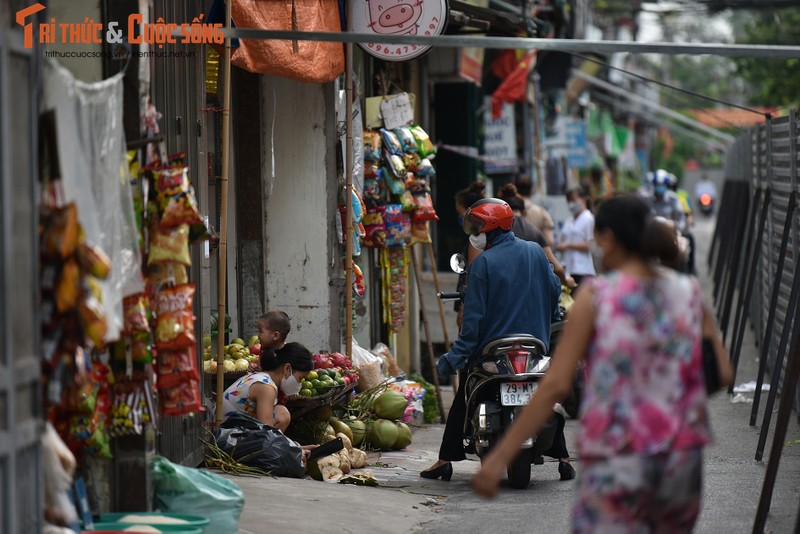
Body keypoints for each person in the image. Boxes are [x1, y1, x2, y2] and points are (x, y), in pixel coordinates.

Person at [473, 194, 733, 533]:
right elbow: (724, 373)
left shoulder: (597, 297)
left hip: (616, 456)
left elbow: (556, 384)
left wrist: (500, 457)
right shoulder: (689, 292)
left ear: (608, 237)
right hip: (681, 458)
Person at [420, 198, 562, 482]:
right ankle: (565, 458)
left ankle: (444, 460)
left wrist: (452, 358)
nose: (476, 233)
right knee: (547, 394)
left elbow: (472, 324)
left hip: (492, 352)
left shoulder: (483, 263)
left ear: (493, 227)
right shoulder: (535, 251)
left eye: (479, 227)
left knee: (463, 393)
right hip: (535, 345)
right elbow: (554, 289)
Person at [497, 183, 575, 289]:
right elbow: (557, 267)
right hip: (532, 290)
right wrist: (566, 281)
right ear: (523, 211)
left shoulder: (497, 231)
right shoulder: (534, 231)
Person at [222, 342, 313, 432]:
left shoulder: (261, 377)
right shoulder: (266, 387)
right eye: (300, 378)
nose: (299, 384)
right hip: (226, 438)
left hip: (228, 429)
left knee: (280, 412)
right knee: (282, 414)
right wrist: (296, 447)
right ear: (287, 368)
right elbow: (266, 434)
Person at [453, 180, 487, 330]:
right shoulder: (484, 233)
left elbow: (473, 272)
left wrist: (464, 307)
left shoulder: (477, 236)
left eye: (461, 214)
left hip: (476, 303)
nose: (460, 219)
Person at [557, 187, 596, 286]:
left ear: (583, 199)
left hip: (583, 269)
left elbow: (591, 244)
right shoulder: (569, 221)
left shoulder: (589, 219)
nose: (571, 204)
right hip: (568, 268)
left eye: (573, 200)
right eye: (568, 201)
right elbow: (560, 241)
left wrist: (568, 245)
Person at [516, 177, 556, 246]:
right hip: (536, 253)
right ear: (532, 190)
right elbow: (550, 241)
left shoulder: (510, 212)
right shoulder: (541, 212)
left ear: (516, 190)